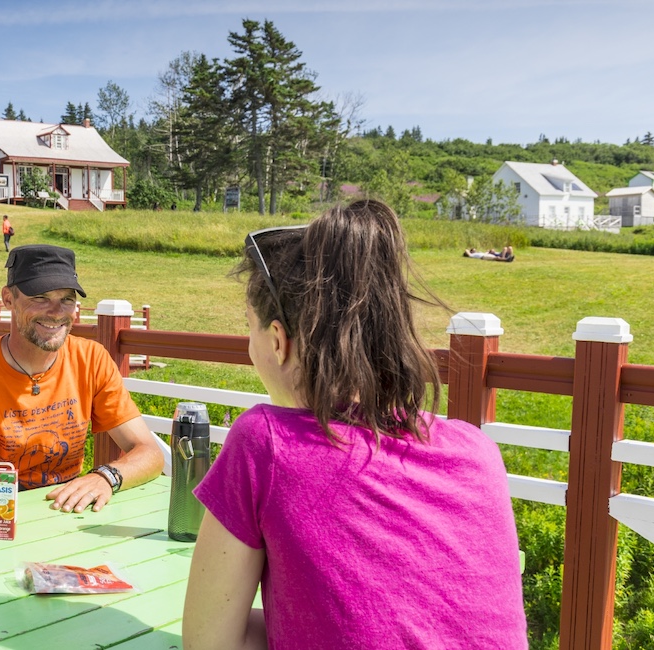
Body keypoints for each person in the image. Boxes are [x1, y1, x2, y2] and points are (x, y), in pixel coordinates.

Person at [183, 200, 526, 649]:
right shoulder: (477, 450)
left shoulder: (265, 442)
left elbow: (209, 643)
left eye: (249, 330)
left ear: (278, 342)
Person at [0, 244, 164, 512]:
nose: (56, 312)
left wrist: (104, 477)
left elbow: (150, 453)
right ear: (8, 299)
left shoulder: (92, 358)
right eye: (40, 298)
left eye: (67, 299)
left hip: (66, 502)